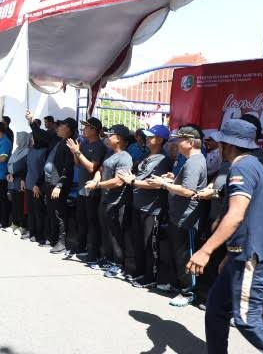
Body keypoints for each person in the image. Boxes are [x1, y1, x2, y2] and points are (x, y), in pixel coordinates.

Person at [186, 119, 263, 354]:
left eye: (220, 142)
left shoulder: (242, 167)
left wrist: (205, 251)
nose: (217, 146)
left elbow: (236, 215)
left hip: (251, 254)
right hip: (240, 253)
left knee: (248, 320)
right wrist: (230, 254)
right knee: (215, 308)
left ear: (229, 145)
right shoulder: (254, 164)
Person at [149, 125, 208, 307]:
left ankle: (188, 291)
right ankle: (177, 285)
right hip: (179, 215)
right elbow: (184, 184)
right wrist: (171, 179)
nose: (175, 144)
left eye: (179, 140)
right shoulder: (189, 160)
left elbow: (188, 191)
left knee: (186, 255)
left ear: (190, 143)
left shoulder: (195, 161)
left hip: (187, 217)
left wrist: (163, 184)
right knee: (177, 253)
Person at [118, 125, 173, 288]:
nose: (147, 139)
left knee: (150, 245)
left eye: (151, 137)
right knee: (138, 242)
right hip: (138, 205)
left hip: (152, 208)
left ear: (161, 140)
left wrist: (133, 181)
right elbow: (141, 176)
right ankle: (139, 271)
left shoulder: (163, 159)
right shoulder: (148, 155)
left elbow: (157, 184)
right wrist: (132, 177)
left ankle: (150, 277)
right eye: (147, 136)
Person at [85, 125, 133, 278]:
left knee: (115, 234)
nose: (106, 137)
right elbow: (100, 170)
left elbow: (119, 181)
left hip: (116, 202)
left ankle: (118, 264)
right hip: (105, 199)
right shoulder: (110, 154)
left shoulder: (125, 157)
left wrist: (97, 185)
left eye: (110, 135)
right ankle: (109, 259)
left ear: (118, 138)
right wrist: (97, 178)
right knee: (106, 231)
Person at [67, 117, 106, 261]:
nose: (83, 129)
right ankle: (81, 246)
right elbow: (77, 163)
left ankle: (93, 252)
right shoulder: (84, 144)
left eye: (87, 127)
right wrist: (74, 152)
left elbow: (91, 167)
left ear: (94, 130)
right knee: (81, 220)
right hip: (81, 190)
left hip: (92, 191)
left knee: (92, 222)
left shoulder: (99, 146)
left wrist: (77, 152)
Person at [44, 118, 77, 253]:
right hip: (52, 183)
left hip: (60, 185)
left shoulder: (70, 143)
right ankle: (53, 238)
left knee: (60, 213)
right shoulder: (61, 142)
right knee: (52, 211)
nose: (58, 127)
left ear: (68, 128)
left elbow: (67, 168)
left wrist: (59, 185)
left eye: (61, 125)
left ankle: (62, 242)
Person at [22, 120, 49, 242]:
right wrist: (23, 179)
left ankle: (40, 234)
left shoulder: (45, 151)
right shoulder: (32, 150)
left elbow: (44, 170)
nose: (32, 139)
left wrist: (37, 184)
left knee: (39, 211)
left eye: (33, 137)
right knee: (31, 210)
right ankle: (31, 231)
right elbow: (27, 166)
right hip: (28, 183)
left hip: (38, 185)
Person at [7, 131, 31, 235]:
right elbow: (11, 164)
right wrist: (8, 173)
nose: (17, 140)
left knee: (21, 204)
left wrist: (16, 175)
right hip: (12, 181)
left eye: (19, 138)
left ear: (23, 139)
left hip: (21, 181)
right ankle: (15, 224)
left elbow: (26, 168)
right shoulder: (17, 150)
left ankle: (23, 226)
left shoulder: (27, 151)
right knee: (15, 203)